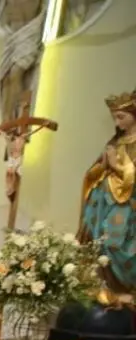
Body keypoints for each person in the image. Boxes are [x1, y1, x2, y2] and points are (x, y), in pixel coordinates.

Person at [80, 88, 136, 292]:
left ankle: (123, 288)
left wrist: (117, 166)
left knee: (115, 244)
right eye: (115, 118)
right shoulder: (115, 142)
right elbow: (93, 171)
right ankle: (103, 288)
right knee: (98, 241)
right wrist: (103, 167)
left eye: (121, 117)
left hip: (127, 206)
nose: (117, 123)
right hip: (102, 202)